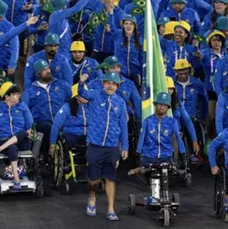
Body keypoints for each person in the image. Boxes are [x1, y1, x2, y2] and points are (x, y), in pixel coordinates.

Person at [77, 72, 128, 221]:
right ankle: (92, 197)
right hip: (95, 144)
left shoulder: (120, 102)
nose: (110, 85)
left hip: (112, 146)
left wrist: (124, 146)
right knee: (94, 179)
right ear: (103, 84)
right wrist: (81, 82)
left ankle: (111, 209)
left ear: (117, 86)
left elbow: (123, 125)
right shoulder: (94, 95)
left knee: (110, 178)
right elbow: (82, 93)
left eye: (113, 83)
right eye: (108, 82)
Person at [0, 81, 33, 189]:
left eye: (18, 94)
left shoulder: (22, 107)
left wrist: (30, 130)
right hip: (3, 139)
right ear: (7, 96)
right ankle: (16, 178)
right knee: (12, 147)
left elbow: (30, 125)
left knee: (23, 132)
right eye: (15, 94)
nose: (18, 96)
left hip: (22, 141)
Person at [128, 92, 185, 175]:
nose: (162, 107)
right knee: (148, 170)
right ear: (155, 105)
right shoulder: (147, 121)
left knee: (170, 171)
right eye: (160, 104)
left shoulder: (172, 122)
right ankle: (139, 168)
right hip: (149, 155)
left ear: (168, 107)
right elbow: (142, 136)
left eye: (164, 105)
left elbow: (177, 137)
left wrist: (182, 151)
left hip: (166, 156)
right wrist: (138, 151)